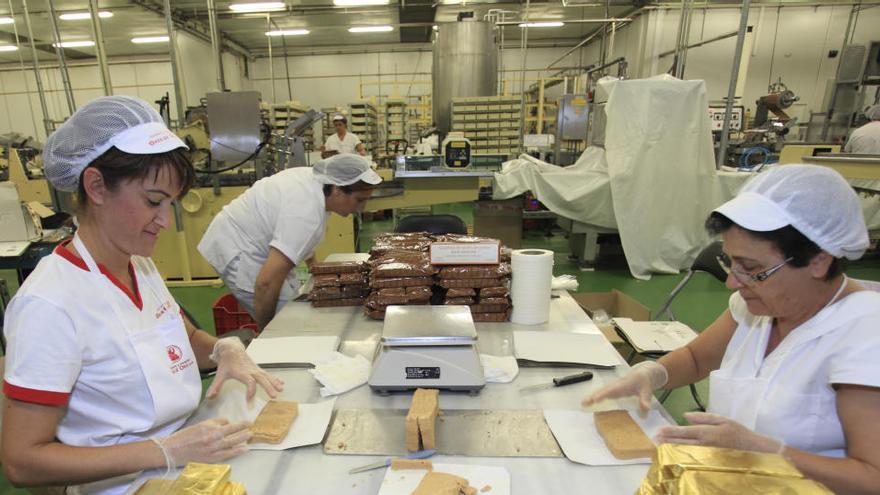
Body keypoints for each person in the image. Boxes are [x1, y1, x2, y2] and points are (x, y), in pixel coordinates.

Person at [1, 96, 284, 494]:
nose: (165, 221)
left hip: (186, 460)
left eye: (170, 203)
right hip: (121, 484)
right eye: (153, 201)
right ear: (96, 186)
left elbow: (180, 338)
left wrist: (223, 349)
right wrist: (164, 450)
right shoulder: (50, 303)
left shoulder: (139, 265)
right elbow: (22, 461)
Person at [583, 165, 880, 493]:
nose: (731, 282)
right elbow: (697, 359)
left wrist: (770, 453)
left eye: (751, 269)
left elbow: (871, 477)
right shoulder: (757, 306)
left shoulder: (864, 334)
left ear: (818, 261)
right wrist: (652, 374)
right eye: (729, 262)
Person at [198, 153, 381, 329]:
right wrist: (267, 332)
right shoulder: (305, 214)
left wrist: (314, 269)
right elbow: (266, 283)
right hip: (238, 248)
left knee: (293, 304)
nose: (361, 208)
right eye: (359, 200)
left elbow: (300, 239)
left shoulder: (317, 182)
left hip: (250, 238)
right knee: (285, 321)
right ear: (337, 189)